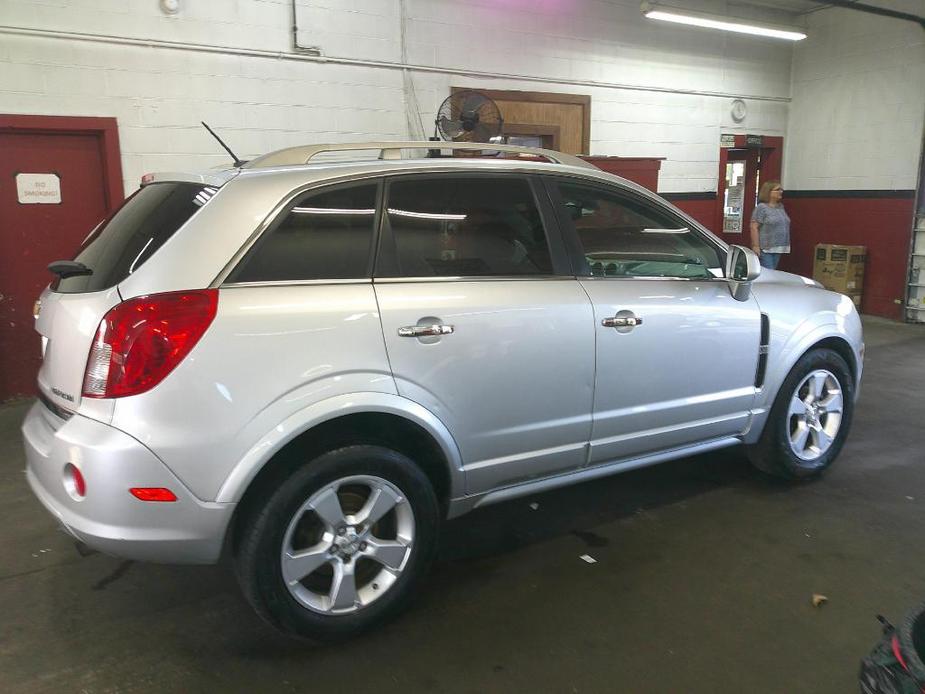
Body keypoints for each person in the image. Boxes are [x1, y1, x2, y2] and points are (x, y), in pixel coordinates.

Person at [750, 181, 790, 270]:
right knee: (769, 272)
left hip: (779, 247)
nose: (781, 191)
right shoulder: (762, 207)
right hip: (766, 248)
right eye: (777, 190)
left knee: (773, 271)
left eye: (781, 189)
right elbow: (754, 226)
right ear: (769, 192)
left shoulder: (780, 207)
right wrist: (756, 246)